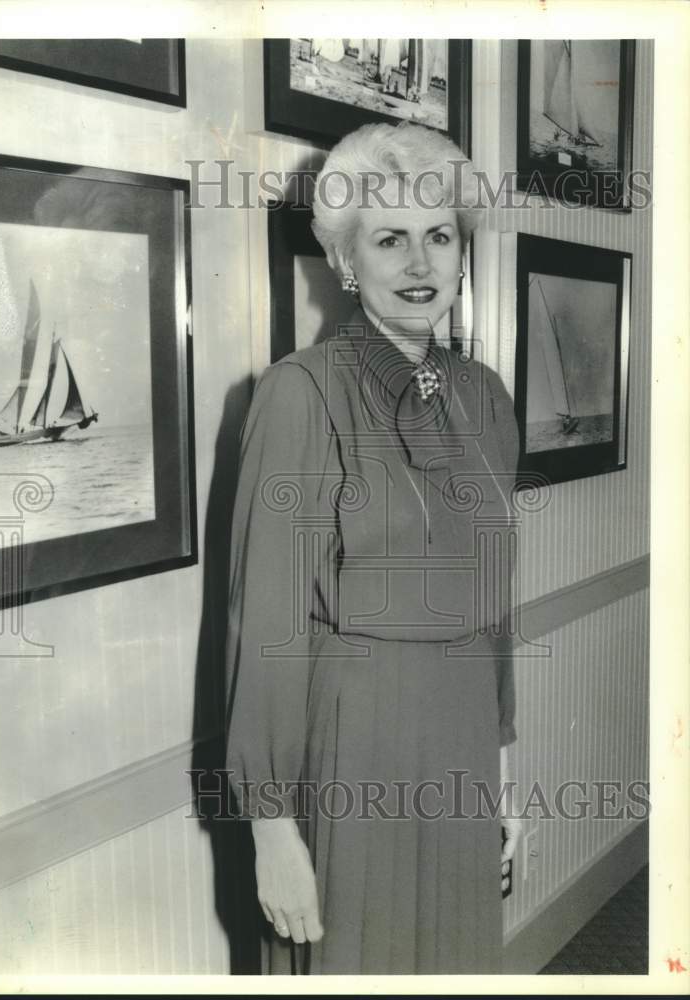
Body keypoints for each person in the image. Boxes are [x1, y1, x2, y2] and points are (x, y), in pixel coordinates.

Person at [224, 121, 523, 975]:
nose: (420, 265)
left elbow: (495, 603)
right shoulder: (300, 394)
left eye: (440, 238)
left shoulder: (485, 397)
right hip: (353, 744)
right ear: (347, 262)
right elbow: (270, 627)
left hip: (463, 736)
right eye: (390, 240)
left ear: (463, 257)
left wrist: (505, 774)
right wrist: (272, 830)